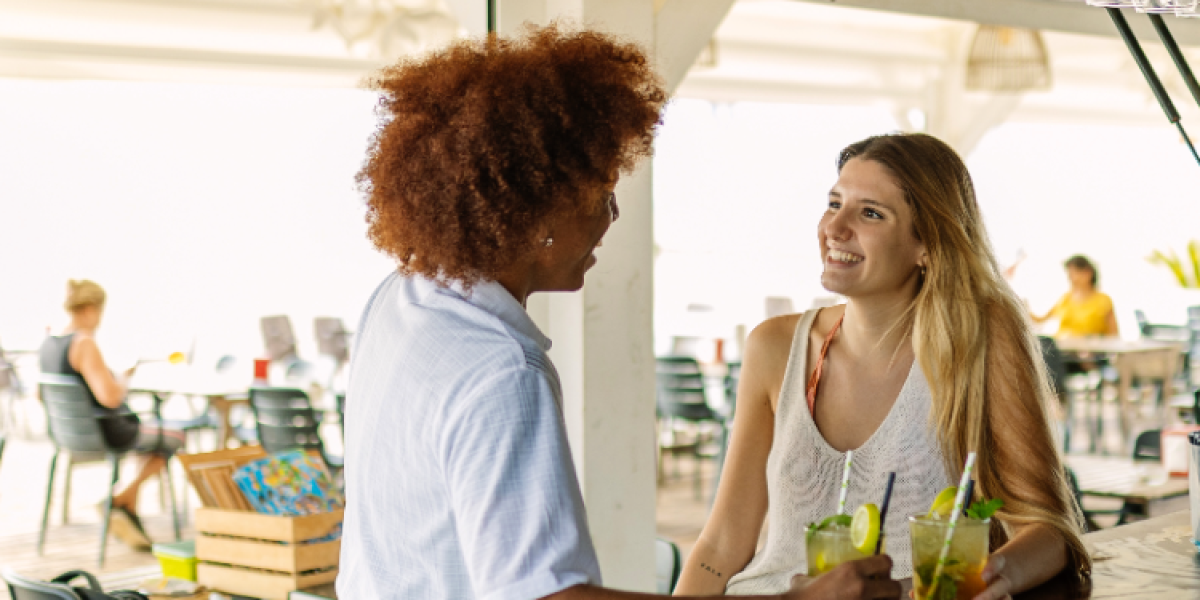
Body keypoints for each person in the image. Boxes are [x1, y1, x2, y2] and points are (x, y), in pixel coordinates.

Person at [337, 23, 900, 600]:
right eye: (601, 196)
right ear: (540, 214)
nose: (612, 217)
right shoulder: (502, 373)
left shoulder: (401, 299)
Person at [676, 134, 1090, 598]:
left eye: (870, 213)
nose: (835, 228)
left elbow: (1047, 529)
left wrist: (978, 580)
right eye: (834, 203)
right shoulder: (774, 346)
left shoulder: (980, 339)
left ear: (926, 244)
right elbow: (720, 545)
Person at [38, 279, 186, 550]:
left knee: (152, 440)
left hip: (68, 436)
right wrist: (124, 379)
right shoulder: (83, 343)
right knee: (174, 437)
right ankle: (121, 499)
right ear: (91, 309)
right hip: (105, 433)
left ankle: (127, 507)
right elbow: (111, 397)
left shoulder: (49, 344)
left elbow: (41, 395)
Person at [1031, 255, 1118, 338]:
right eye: (1069, 274)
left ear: (1088, 272)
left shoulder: (1103, 300)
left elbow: (1114, 335)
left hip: (1091, 348)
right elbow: (1039, 320)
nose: (1070, 278)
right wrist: (1025, 310)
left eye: (1074, 273)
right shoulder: (1064, 299)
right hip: (1062, 346)